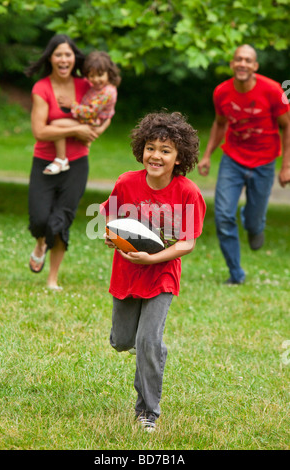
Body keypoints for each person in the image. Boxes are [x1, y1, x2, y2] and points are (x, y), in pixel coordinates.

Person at [100, 111, 206, 431]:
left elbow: (186, 244)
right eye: (150, 147)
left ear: (178, 157)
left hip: (162, 273)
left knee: (148, 341)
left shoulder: (188, 192)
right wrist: (110, 234)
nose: (155, 155)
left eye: (165, 150)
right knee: (121, 341)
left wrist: (153, 259)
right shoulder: (126, 182)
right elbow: (109, 217)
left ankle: (148, 411)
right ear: (141, 149)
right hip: (128, 271)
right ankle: (143, 343)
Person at [198, 44, 290, 285]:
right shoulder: (221, 92)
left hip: (264, 162)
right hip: (233, 160)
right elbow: (219, 123)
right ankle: (236, 273)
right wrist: (207, 154)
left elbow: (287, 125)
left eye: (248, 60)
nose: (242, 63)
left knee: (253, 220)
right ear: (232, 64)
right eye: (238, 59)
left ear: (255, 66)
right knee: (222, 215)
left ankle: (253, 222)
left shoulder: (272, 90)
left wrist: (286, 165)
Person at [25, 34, 109, 290]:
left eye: (68, 54)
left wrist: (94, 131)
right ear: (50, 58)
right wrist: (77, 129)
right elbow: (40, 131)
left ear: (75, 59)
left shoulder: (87, 85)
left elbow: (104, 111)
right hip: (44, 162)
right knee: (40, 219)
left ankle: (52, 278)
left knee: (61, 219)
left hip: (77, 163)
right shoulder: (42, 88)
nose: (63, 59)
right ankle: (40, 242)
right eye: (58, 54)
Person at [43, 51, 121, 175]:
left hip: (91, 122)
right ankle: (81, 144)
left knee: (56, 124)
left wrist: (71, 105)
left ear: (109, 73)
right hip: (89, 120)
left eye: (100, 75)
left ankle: (61, 159)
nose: (95, 80)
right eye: (91, 76)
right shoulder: (98, 86)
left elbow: (90, 112)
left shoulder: (107, 92)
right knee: (57, 124)